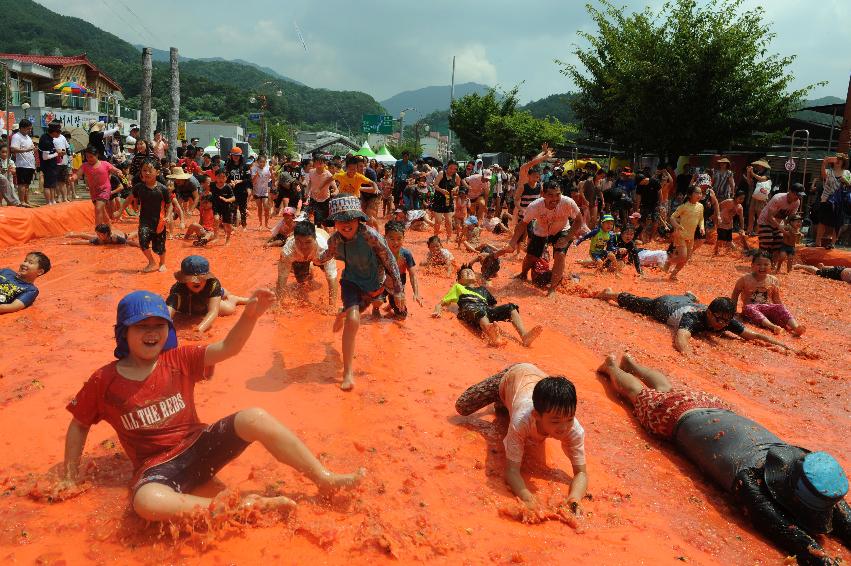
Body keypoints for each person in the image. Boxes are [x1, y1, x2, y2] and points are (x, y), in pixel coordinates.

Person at [57, 290, 365, 520]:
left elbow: (228, 348)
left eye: (159, 325)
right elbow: (79, 423)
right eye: (141, 327)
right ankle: (243, 507)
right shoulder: (104, 380)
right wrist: (71, 474)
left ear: (168, 330)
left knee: (254, 416)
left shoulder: (178, 359)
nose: (151, 333)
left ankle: (324, 478)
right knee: (146, 502)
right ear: (124, 332)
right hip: (158, 469)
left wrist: (250, 316)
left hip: (200, 448)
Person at [597, 353, 851, 566]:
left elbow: (836, 505)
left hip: (718, 410)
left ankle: (631, 363)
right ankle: (611, 367)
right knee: (638, 394)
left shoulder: (800, 459)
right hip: (675, 415)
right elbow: (781, 527)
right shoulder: (748, 477)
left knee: (666, 390)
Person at [454, 363, 587, 516]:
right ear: (536, 415)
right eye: (556, 421)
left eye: (569, 419)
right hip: (514, 376)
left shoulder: (574, 429)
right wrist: (527, 498)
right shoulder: (522, 421)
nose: (564, 428)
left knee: (503, 412)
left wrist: (575, 498)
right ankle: (503, 392)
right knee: (462, 406)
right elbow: (511, 471)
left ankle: (505, 403)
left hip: (536, 381)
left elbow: (581, 473)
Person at [318, 196, 404, 391]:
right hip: (350, 282)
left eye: (350, 219)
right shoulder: (335, 239)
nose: (346, 224)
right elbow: (326, 256)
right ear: (335, 222)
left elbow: (390, 260)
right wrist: (315, 258)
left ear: (358, 219)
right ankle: (347, 373)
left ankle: (342, 313)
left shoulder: (371, 236)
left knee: (356, 312)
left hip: (373, 283)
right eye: (340, 220)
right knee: (354, 320)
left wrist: (398, 290)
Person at [593, 289, 793, 355]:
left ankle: (690, 296)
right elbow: (681, 339)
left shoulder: (723, 320)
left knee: (689, 300)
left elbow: (753, 335)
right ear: (709, 313)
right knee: (636, 303)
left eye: (725, 321)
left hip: (689, 303)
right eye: (717, 318)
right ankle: (610, 294)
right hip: (665, 306)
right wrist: (689, 358)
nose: (721, 324)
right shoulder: (693, 319)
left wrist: (784, 346)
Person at [433, 264, 543, 347]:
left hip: (485, 310)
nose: (468, 272)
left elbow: (493, 306)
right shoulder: (458, 287)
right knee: (479, 311)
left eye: (470, 271)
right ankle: (494, 338)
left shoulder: (483, 290)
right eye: (465, 272)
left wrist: (498, 314)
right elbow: (441, 303)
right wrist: (437, 310)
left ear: (475, 277)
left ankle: (524, 336)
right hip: (469, 309)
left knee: (511, 307)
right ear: (460, 280)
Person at [507, 181, 582, 295]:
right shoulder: (534, 206)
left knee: (560, 255)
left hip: (562, 230)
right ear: (543, 194)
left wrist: (567, 238)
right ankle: (523, 274)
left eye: (558, 194)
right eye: (550, 195)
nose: (555, 199)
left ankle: (552, 288)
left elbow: (579, 220)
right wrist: (512, 242)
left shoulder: (568, 202)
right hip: (542, 230)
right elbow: (523, 224)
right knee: (531, 256)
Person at [165, 256, 249, 333]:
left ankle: (233, 299)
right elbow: (166, 316)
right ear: (184, 280)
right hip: (191, 301)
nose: (196, 282)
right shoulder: (177, 290)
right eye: (191, 279)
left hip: (207, 297)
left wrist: (199, 329)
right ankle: (221, 292)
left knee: (229, 309)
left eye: (201, 279)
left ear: (207, 278)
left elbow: (213, 312)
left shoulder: (212, 284)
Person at [731, 251, 805, 336]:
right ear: (752, 265)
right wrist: (733, 311)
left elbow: (776, 299)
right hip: (750, 311)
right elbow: (735, 294)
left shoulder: (773, 280)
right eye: (758, 264)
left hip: (767, 309)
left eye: (766, 265)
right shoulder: (744, 279)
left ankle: (796, 327)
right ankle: (772, 326)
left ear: (771, 266)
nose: (762, 267)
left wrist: (781, 311)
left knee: (780, 307)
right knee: (749, 307)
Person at [276, 220, 339, 310]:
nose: (303, 246)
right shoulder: (287, 251)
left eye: (308, 242)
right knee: (301, 280)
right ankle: (309, 267)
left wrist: (332, 306)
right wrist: (279, 304)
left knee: (327, 270)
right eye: (299, 242)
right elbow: (282, 278)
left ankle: (312, 264)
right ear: (294, 239)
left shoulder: (326, 249)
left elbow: (332, 278)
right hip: (300, 257)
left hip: (319, 256)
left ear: (314, 238)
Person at [133, 159, 172, 273]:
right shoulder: (139, 187)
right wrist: (121, 210)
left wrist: (168, 216)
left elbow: (169, 205)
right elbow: (131, 197)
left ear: (157, 172)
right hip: (144, 221)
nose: (147, 173)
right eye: (144, 170)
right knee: (143, 242)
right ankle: (151, 262)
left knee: (159, 247)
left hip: (159, 221)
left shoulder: (162, 189)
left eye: (150, 170)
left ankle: (162, 263)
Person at [72, 145, 124, 226]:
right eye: (87, 157)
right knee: (102, 211)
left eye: (91, 157)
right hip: (94, 191)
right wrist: (73, 177)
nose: (89, 159)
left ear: (97, 155)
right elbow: (77, 174)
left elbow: (115, 170)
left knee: (98, 208)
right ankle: (109, 228)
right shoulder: (85, 165)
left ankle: (98, 229)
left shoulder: (105, 164)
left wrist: (119, 172)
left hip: (105, 189)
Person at [382, 220, 424, 317]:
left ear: (403, 238)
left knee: (401, 316)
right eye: (391, 239)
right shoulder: (381, 252)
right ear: (385, 238)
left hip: (397, 287)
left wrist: (416, 293)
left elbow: (413, 275)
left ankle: (392, 302)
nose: (395, 242)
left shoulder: (406, 254)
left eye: (399, 238)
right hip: (382, 284)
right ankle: (376, 309)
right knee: (376, 300)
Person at [814, 153, 850, 249]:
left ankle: (833, 243)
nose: (838, 161)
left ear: (843, 162)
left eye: (840, 160)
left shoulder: (847, 173)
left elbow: (849, 185)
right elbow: (823, 176)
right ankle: (817, 242)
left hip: (840, 201)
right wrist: (824, 162)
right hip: (826, 199)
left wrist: (845, 181)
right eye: (836, 159)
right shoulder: (828, 171)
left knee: (837, 223)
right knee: (822, 221)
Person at [668, 185, 705, 280]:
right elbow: (672, 217)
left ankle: (673, 275)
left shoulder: (700, 206)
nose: (699, 195)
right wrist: (677, 226)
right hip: (681, 235)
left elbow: (701, 219)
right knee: (683, 257)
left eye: (700, 193)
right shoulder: (684, 206)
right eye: (697, 192)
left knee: (686, 259)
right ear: (689, 195)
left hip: (691, 236)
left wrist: (702, 227)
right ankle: (668, 262)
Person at [757, 187, 803, 263]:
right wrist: (783, 230)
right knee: (767, 241)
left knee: (778, 243)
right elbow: (770, 216)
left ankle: (773, 265)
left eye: (799, 195)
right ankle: (758, 261)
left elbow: (791, 218)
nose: (798, 197)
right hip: (765, 221)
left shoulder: (797, 202)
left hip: (779, 222)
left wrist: (795, 231)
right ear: (790, 192)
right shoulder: (778, 198)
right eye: (796, 195)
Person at [432, 161, 463, 239]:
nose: (452, 170)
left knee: (449, 221)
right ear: (447, 167)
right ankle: (435, 237)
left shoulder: (456, 176)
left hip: (449, 200)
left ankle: (448, 238)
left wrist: (455, 188)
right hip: (438, 199)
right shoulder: (441, 173)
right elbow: (435, 185)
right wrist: (441, 190)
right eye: (451, 168)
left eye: (455, 169)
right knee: (438, 221)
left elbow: (458, 185)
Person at [10, 119, 37, 207]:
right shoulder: (16, 136)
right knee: (22, 184)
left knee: (27, 184)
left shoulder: (28, 137)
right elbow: (13, 149)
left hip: (30, 164)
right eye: (28, 129)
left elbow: (31, 149)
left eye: (30, 129)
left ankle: (27, 201)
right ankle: (21, 201)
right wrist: (26, 150)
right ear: (21, 128)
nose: (29, 131)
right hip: (22, 164)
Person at [305, 155, 337, 227]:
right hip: (314, 198)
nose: (319, 165)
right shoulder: (311, 172)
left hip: (325, 199)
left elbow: (335, 188)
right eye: (316, 162)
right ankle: (317, 232)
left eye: (321, 163)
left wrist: (335, 193)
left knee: (325, 221)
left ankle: (324, 233)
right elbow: (310, 182)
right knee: (317, 219)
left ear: (324, 164)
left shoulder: (328, 174)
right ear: (314, 163)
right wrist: (307, 191)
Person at [714, 190, 747, 256]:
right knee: (720, 239)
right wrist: (717, 216)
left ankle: (736, 252)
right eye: (740, 198)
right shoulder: (729, 201)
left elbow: (741, 218)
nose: (742, 200)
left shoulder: (740, 207)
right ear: (735, 197)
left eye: (743, 199)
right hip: (721, 223)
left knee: (729, 240)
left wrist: (742, 228)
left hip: (729, 224)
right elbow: (718, 206)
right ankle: (716, 251)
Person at [225, 147, 250, 229]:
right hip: (232, 191)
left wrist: (240, 181)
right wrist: (230, 182)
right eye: (234, 155)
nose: (236, 157)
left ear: (240, 156)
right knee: (232, 209)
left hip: (242, 191)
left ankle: (244, 226)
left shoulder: (245, 166)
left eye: (238, 155)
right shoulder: (228, 166)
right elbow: (226, 179)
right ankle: (233, 226)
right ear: (231, 156)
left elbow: (248, 179)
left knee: (243, 209)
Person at [746, 159, 772, 234]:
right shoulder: (757, 172)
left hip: (762, 196)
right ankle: (749, 229)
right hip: (754, 195)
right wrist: (748, 173)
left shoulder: (766, 172)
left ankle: (758, 231)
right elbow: (750, 183)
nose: (757, 166)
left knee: (759, 213)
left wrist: (752, 173)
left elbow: (762, 179)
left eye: (759, 165)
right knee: (751, 211)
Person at [65, 224, 136, 246]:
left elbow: (129, 242)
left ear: (105, 234)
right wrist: (69, 243)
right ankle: (72, 235)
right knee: (89, 236)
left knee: (130, 236)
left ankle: (137, 231)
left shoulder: (115, 238)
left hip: (121, 234)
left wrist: (140, 245)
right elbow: (84, 242)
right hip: (110, 233)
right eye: (97, 234)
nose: (98, 236)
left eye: (99, 234)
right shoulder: (99, 239)